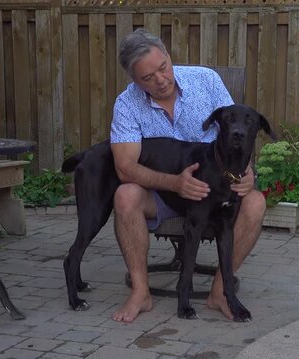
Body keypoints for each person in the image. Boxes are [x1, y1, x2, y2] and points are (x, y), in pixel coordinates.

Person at [110, 28, 266, 323]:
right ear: (134, 80)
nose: (161, 79)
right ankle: (141, 293)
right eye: (148, 78)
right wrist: (174, 183)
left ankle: (219, 291)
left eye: (163, 67)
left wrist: (247, 173)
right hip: (161, 193)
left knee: (256, 202)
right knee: (125, 194)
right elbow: (124, 167)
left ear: (168, 56)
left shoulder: (205, 81)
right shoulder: (127, 104)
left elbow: (238, 132)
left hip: (219, 188)